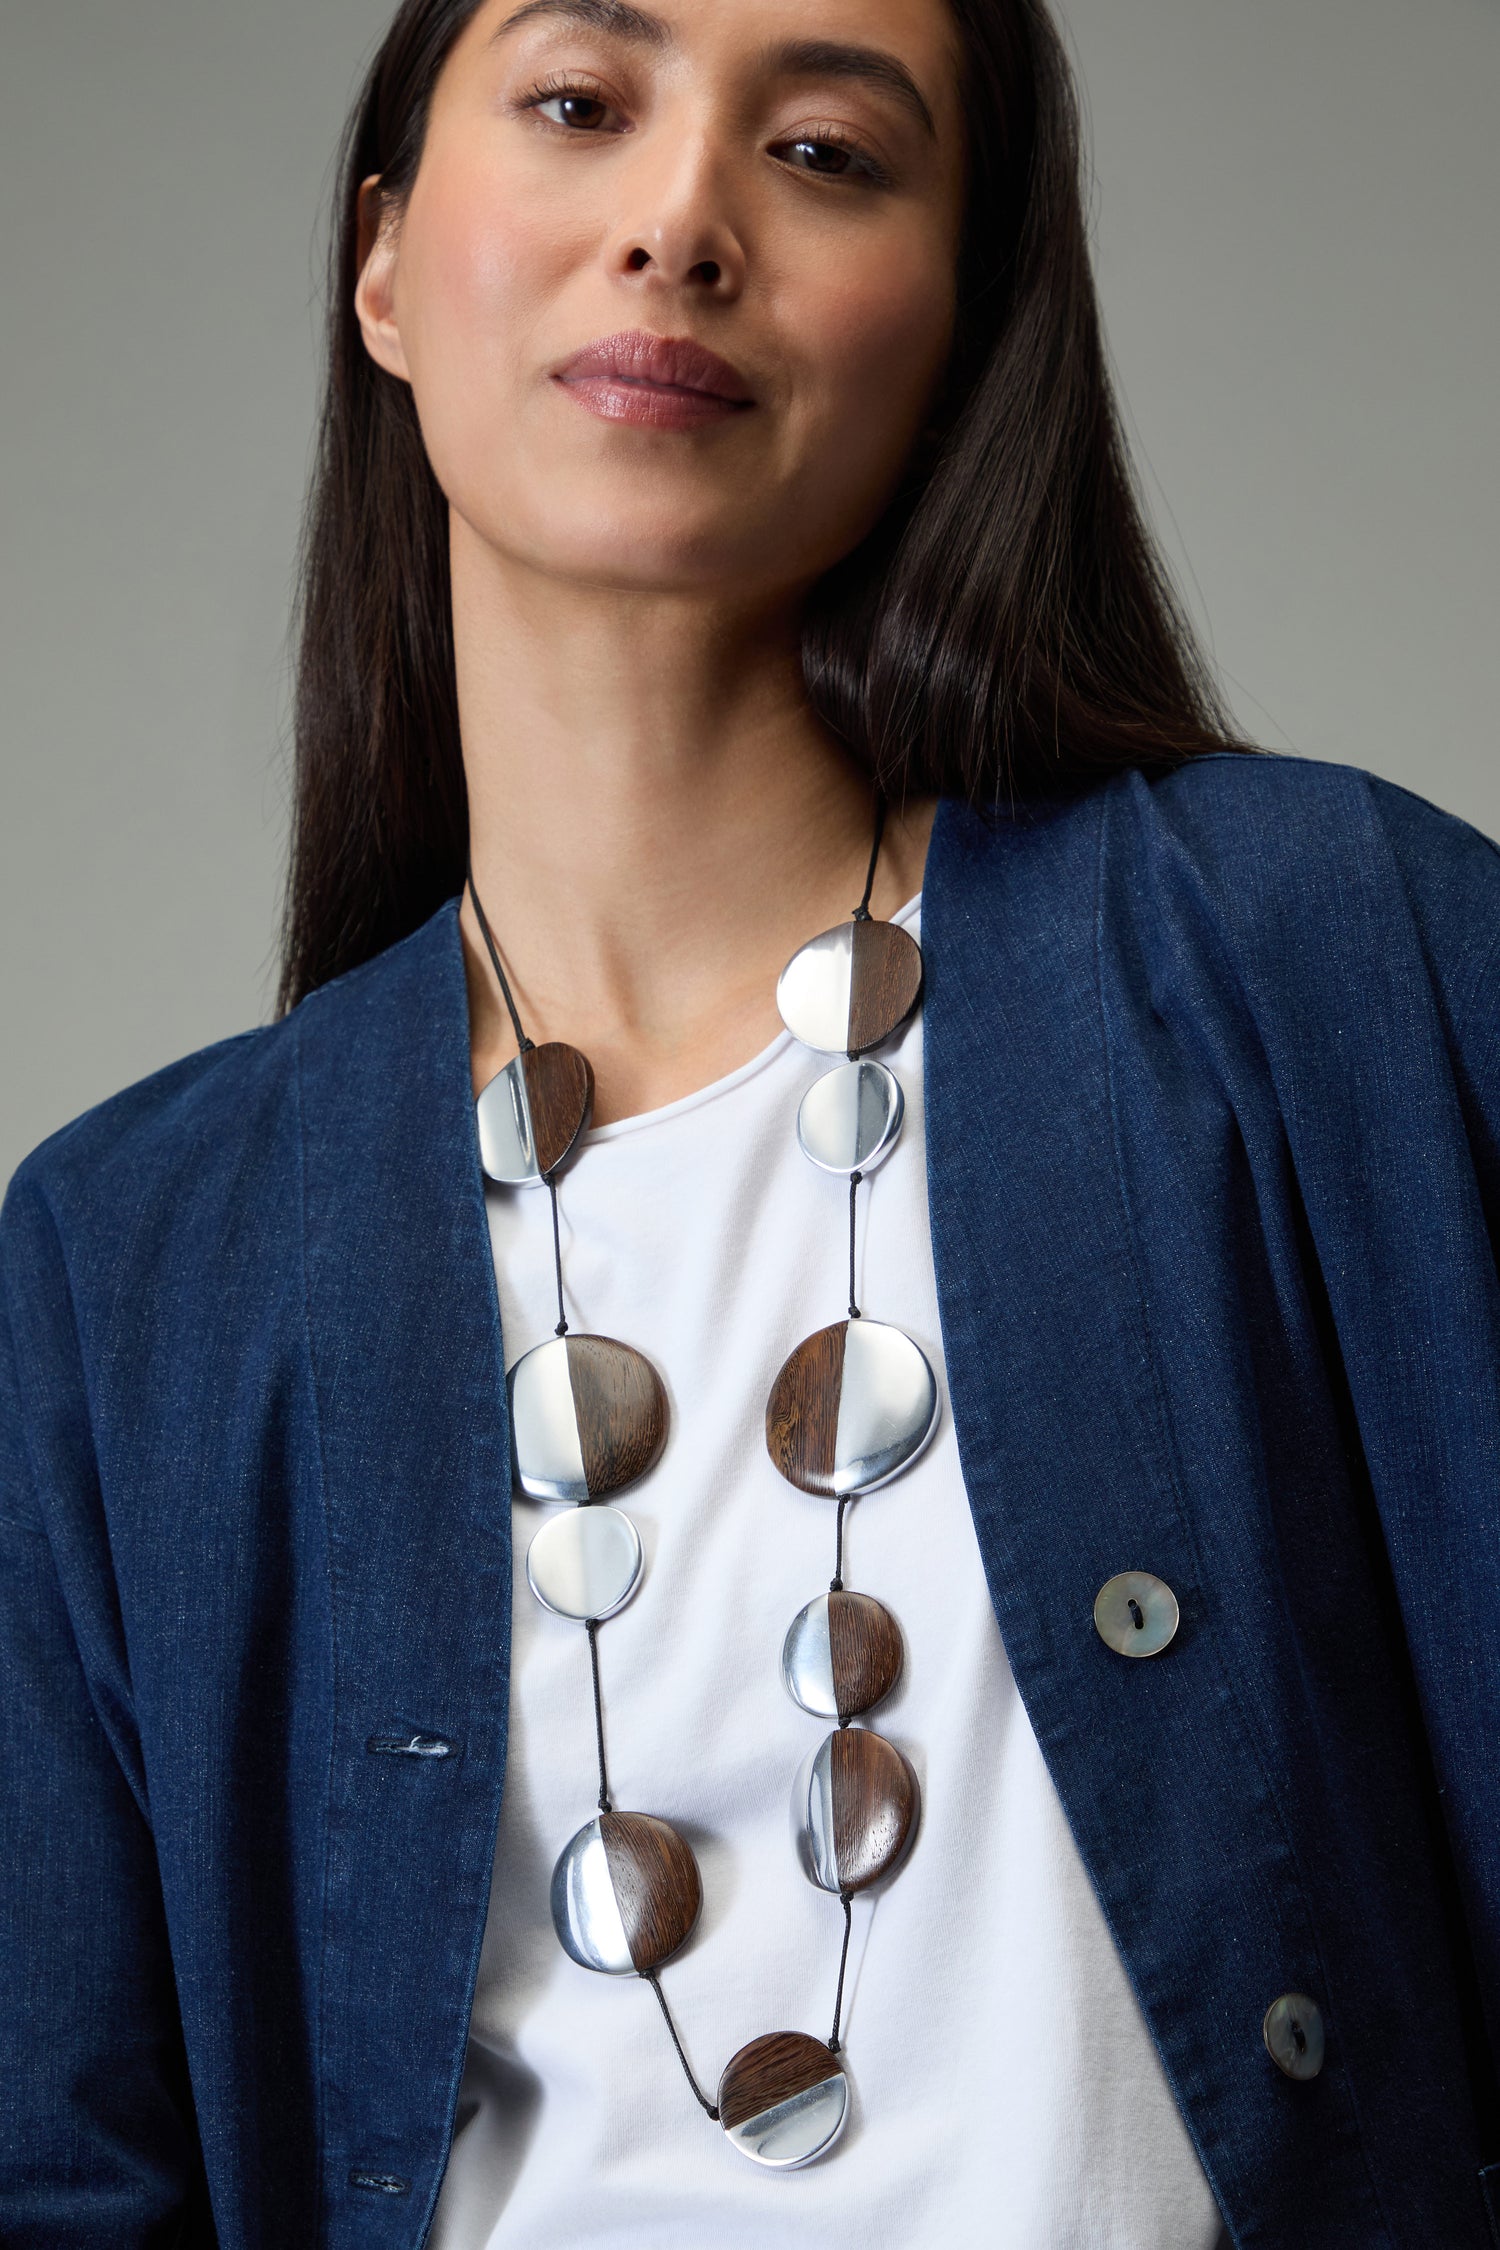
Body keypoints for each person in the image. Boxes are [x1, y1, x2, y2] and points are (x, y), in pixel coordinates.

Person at [1, 0, 1496, 2240]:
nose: (682, 221)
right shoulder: (133, 1263)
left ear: (966, 330)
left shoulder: (1319, 961)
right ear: (386, 265)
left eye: (822, 153)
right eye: (584, 106)